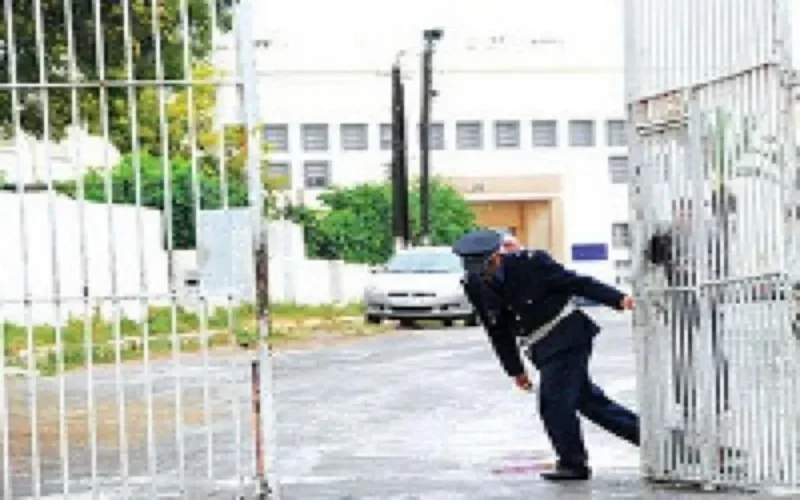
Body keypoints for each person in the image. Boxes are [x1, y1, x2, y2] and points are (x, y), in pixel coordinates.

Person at [453, 229, 640, 481]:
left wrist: (618, 299)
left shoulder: (532, 264)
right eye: (473, 268)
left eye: (483, 267)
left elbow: (577, 283)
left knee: (553, 401)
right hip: (541, 347)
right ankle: (651, 438)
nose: (481, 274)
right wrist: (515, 370)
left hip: (568, 336)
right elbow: (496, 329)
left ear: (496, 257)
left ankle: (573, 464)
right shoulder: (474, 284)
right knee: (589, 402)